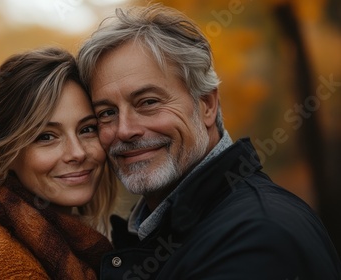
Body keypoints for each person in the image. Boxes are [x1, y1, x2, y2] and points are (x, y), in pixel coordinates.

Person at [77, 4, 341, 279]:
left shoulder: (256, 238)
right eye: (107, 113)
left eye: (148, 102)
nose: (125, 130)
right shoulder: (160, 232)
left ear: (207, 105)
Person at [0, 47, 117, 279]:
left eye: (87, 129)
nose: (77, 153)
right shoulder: (2, 262)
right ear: (5, 152)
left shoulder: (77, 246)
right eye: (46, 136)